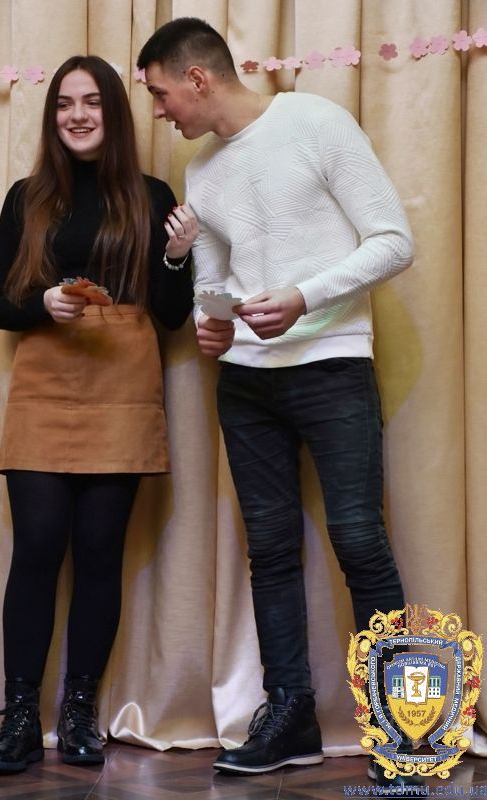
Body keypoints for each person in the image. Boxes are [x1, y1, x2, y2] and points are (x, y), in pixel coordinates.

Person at [138, 18, 414, 778]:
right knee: (269, 551)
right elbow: (215, 280)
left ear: (197, 78)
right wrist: (212, 323)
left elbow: (393, 240)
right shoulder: (202, 170)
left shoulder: (316, 121)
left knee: (360, 541)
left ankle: (404, 732)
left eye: (160, 93)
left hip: (332, 366)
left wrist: (302, 298)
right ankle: (289, 716)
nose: (158, 111)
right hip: (246, 384)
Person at [0, 54, 196, 775]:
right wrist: (43, 300)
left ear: (114, 114)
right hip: (46, 379)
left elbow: (171, 316)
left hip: (123, 382)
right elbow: (0, 308)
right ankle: (18, 718)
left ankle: (79, 713)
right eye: (65, 104)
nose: (77, 115)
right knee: (38, 547)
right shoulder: (26, 197)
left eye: (93, 102)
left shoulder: (151, 194)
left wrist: (176, 255)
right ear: (54, 117)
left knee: (101, 551)